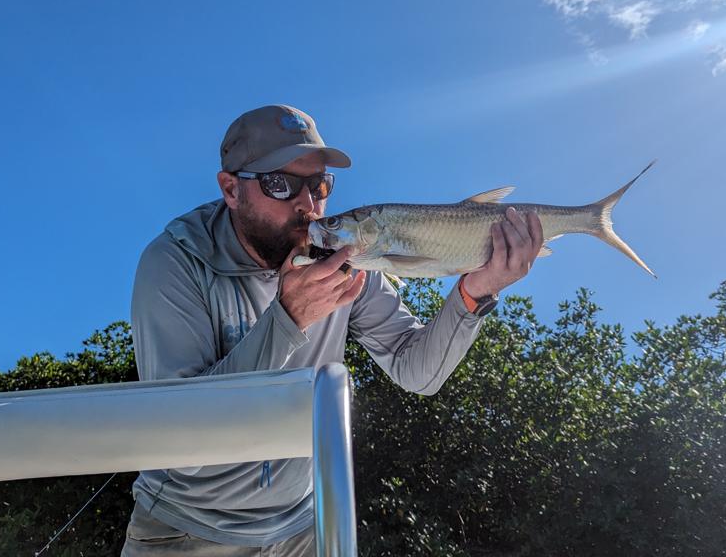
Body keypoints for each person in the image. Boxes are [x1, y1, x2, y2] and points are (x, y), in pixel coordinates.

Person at [121, 104, 543, 556]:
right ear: (230, 188)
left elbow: (417, 370)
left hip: (303, 525)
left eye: (319, 185)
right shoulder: (175, 262)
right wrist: (287, 319)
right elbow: (182, 437)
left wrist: (475, 292)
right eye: (279, 184)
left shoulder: (351, 257)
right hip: (189, 531)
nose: (308, 205)